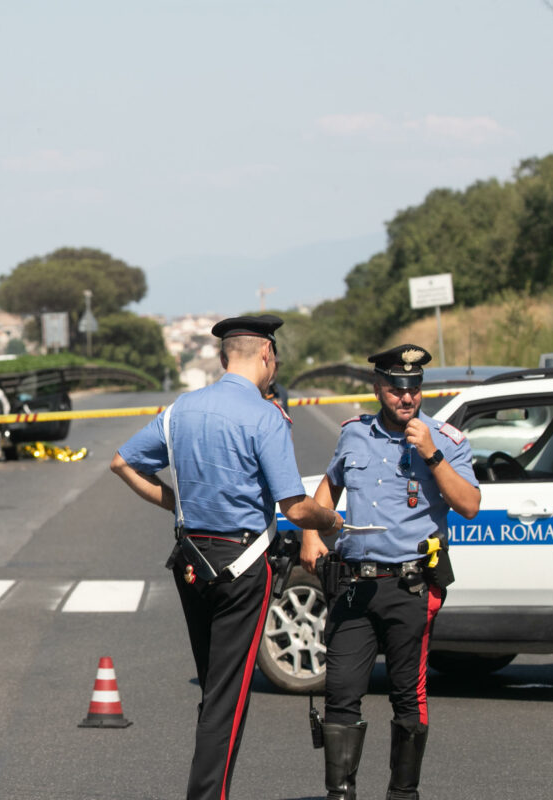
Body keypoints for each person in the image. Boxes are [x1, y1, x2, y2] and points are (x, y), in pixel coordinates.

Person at [110, 314, 347, 800]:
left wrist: (174, 502)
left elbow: (122, 462)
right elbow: (293, 506)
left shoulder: (180, 410)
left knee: (215, 692)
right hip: (242, 568)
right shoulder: (264, 416)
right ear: (266, 355)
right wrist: (329, 520)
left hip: (191, 562)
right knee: (229, 698)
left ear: (223, 357)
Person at [301, 344, 481, 800]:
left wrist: (433, 456)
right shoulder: (354, 435)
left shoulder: (445, 439)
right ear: (379, 388)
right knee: (340, 691)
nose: (408, 398)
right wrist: (311, 533)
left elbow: (470, 505)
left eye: (415, 389)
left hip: (410, 584)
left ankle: (403, 794)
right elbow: (331, 483)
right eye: (398, 389)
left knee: (407, 694)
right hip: (355, 584)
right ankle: (340, 793)